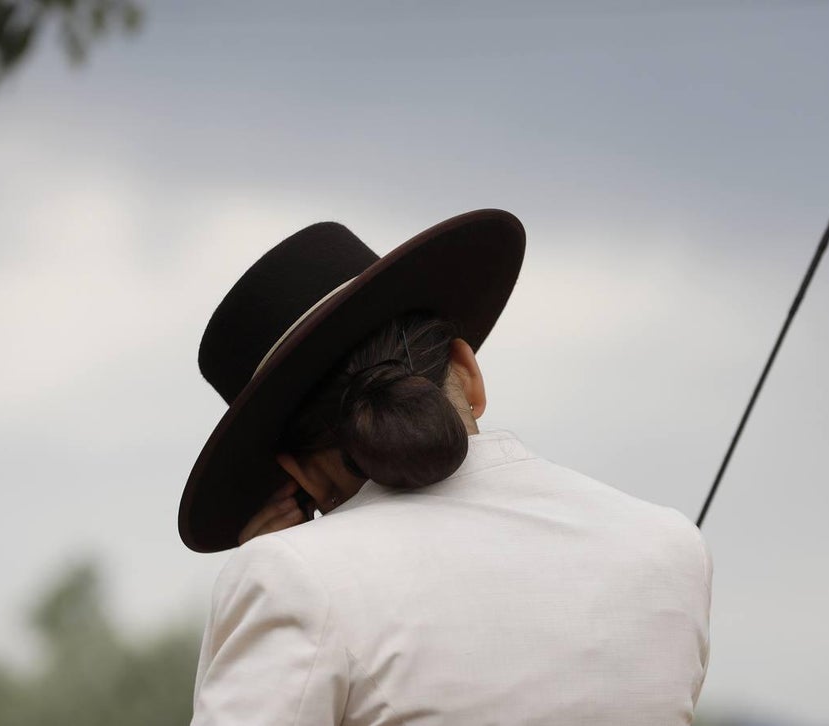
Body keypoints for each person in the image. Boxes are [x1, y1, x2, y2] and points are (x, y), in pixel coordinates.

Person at [179, 209, 713, 725]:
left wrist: (283, 566)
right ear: (467, 371)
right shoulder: (670, 546)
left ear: (305, 476)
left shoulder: (290, 580)